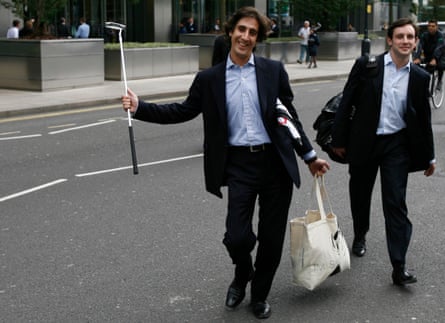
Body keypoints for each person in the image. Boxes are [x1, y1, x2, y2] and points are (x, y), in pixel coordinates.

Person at [121, 6, 329, 319]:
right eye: (241, 30)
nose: (245, 37)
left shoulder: (273, 72)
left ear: (258, 39)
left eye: (253, 32)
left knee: (271, 241)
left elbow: (288, 117)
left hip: (275, 164)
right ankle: (242, 271)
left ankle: (258, 296)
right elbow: (182, 111)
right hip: (239, 165)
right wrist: (140, 108)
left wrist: (309, 156)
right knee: (237, 236)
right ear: (231, 32)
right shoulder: (210, 79)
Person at [331, 18, 436, 286]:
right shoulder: (368, 66)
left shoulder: (420, 77)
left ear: (415, 42)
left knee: (396, 203)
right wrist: (339, 140)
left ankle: (399, 265)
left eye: (410, 37)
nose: (405, 41)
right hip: (364, 143)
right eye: (399, 36)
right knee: (360, 193)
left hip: (396, 146)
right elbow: (347, 103)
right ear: (390, 40)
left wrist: (429, 156)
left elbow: (423, 118)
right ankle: (360, 233)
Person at [413, 19, 444, 88]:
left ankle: (439, 81)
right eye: (429, 26)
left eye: (433, 26)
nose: (431, 28)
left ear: (436, 27)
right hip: (428, 55)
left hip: (439, 56)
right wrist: (417, 58)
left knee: (440, 65)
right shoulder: (424, 35)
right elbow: (420, 46)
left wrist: (435, 58)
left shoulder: (440, 36)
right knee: (417, 66)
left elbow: (439, 48)